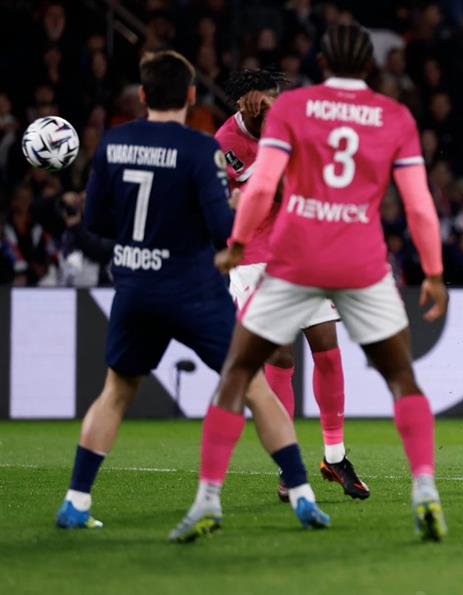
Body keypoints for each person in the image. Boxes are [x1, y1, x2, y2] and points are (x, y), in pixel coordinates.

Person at [174, 24, 449, 542]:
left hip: (293, 253)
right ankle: (423, 489)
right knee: (397, 375)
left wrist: (232, 241)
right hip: (347, 256)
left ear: (321, 63)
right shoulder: (393, 115)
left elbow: (260, 190)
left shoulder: (298, 109)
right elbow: (417, 204)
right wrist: (433, 271)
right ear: (370, 66)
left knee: (249, 369)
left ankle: (215, 496)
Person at [53, 50, 329, 540]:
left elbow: (95, 222)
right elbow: (223, 229)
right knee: (253, 385)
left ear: (143, 95)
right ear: (191, 95)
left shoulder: (115, 142)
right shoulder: (201, 148)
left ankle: (76, 502)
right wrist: (237, 203)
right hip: (191, 289)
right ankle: (302, 494)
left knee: (116, 392)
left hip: (135, 286)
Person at [215, 68, 368, 502]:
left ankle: (335, 457)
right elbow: (233, 202)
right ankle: (289, 466)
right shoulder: (224, 144)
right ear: (245, 102)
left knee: (327, 346)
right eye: (267, 101)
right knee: (279, 353)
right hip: (253, 257)